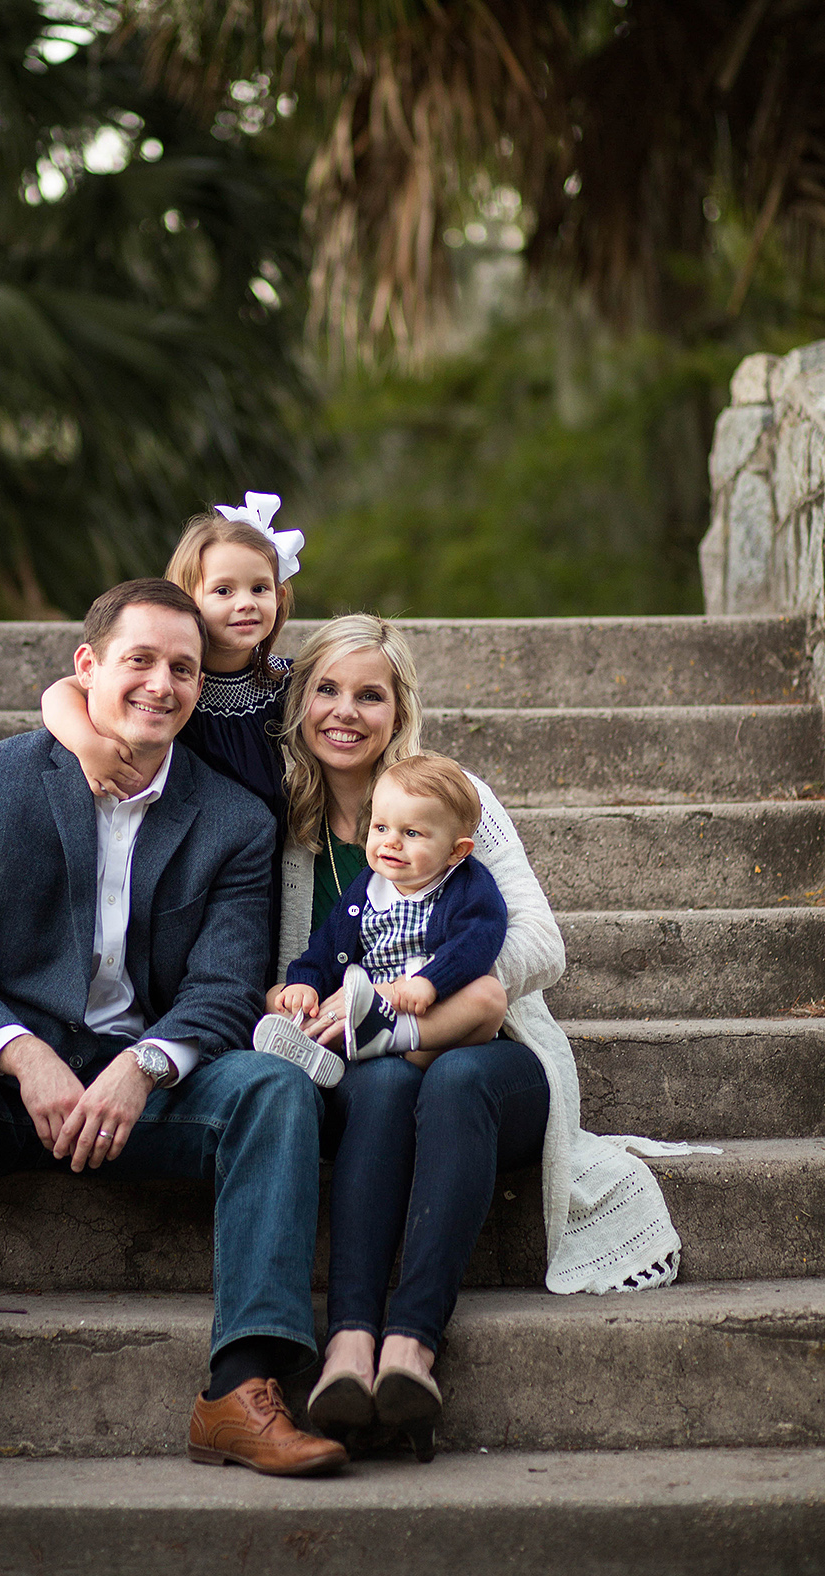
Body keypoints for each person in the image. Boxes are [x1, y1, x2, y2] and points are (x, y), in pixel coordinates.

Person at [0, 578, 348, 1485]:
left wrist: (144, 1067)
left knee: (274, 1085)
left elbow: (226, 990)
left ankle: (240, 1388)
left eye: (183, 669)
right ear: (88, 667)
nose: (161, 684)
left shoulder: (236, 820)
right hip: (1, 1088)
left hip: (153, 1094)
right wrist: (22, 1054)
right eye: (139, 661)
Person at [266, 615, 682, 1459]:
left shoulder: (454, 796)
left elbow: (540, 942)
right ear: (299, 702)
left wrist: (429, 998)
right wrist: (305, 1001)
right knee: (385, 1084)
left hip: (494, 1063)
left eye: (370, 694)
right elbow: (297, 965)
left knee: (450, 1081)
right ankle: (349, 1346)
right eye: (327, 690)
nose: (346, 711)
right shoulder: (286, 828)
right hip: (367, 1072)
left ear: (399, 707)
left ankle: (412, 1347)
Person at [42, 492, 304, 971]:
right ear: (188, 597)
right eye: (224, 591)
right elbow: (60, 692)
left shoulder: (283, 680)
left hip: (258, 848)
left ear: (279, 596)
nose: (245, 604)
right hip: (175, 835)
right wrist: (87, 746)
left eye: (259, 589)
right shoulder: (172, 684)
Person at [257, 753, 508, 1080]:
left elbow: (475, 944)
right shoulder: (365, 889)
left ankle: (388, 1036)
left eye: (412, 833)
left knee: (490, 996)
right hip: (358, 1009)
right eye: (381, 827)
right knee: (278, 996)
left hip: (424, 1021)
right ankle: (313, 1040)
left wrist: (430, 982)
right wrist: (306, 984)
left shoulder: (468, 887)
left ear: (455, 851)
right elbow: (324, 946)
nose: (391, 842)